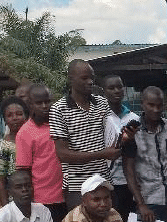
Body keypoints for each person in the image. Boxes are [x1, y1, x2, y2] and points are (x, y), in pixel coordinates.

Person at [50, 60, 120, 210]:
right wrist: (102, 154)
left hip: (103, 181)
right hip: (78, 186)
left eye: (92, 78)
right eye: (84, 78)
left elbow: (111, 135)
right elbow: (62, 154)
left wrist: (124, 138)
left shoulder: (102, 103)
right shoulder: (59, 109)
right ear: (70, 79)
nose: (90, 82)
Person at [123, 86, 167, 222]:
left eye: (159, 105)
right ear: (142, 103)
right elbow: (129, 171)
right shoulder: (132, 132)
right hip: (147, 201)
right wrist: (141, 204)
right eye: (151, 105)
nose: (156, 110)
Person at [16, 84, 67, 222]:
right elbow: (23, 171)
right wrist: (29, 202)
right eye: (39, 103)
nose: (44, 106)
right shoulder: (25, 133)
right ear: (30, 104)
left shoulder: (61, 124)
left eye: (47, 101)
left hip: (67, 196)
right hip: (42, 201)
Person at [102, 75, 139, 222]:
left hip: (127, 181)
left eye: (119, 87)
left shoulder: (134, 117)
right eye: (111, 88)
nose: (116, 91)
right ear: (104, 92)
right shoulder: (101, 117)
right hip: (105, 180)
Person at [0, 96, 29, 206]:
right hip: (16, 202)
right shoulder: (2, 147)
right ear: (4, 120)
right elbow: (0, 181)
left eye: (19, 114)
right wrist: (6, 210)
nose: (15, 118)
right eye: (9, 115)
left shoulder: (33, 140)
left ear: (26, 116)